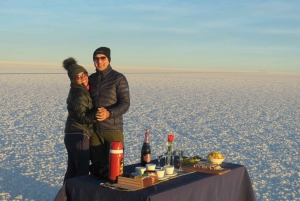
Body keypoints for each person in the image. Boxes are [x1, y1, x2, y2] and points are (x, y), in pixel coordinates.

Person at [89, 47, 130, 166]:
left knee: (115, 167)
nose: (99, 61)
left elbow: (125, 103)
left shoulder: (118, 78)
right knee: (97, 167)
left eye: (103, 58)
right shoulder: (91, 79)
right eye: (96, 58)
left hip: (113, 130)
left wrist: (109, 113)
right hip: (95, 131)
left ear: (109, 60)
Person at [62, 57, 97, 182]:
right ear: (73, 80)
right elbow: (83, 117)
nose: (82, 78)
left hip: (72, 134)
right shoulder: (79, 93)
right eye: (78, 77)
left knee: (72, 170)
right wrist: (98, 115)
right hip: (79, 134)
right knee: (81, 171)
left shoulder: (81, 90)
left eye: (84, 74)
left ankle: (65, 196)